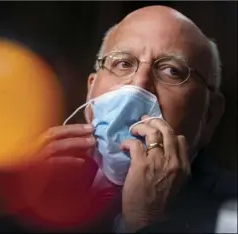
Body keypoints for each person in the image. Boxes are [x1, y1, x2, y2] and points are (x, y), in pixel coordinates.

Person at [22, 5, 230, 233]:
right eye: (123, 63)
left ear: (209, 115)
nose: (138, 85)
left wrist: (147, 222)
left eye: (171, 71)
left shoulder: (229, 211)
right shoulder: (32, 186)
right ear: (91, 92)